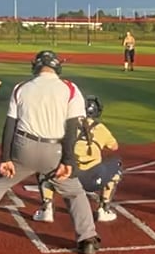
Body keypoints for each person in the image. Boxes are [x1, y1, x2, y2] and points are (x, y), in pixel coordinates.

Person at [0, 50, 102, 254]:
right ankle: (87, 239)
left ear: (36, 66)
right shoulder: (70, 88)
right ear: (57, 67)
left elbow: (10, 125)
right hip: (54, 151)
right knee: (74, 192)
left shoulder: (21, 88)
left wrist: (6, 158)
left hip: (23, 148)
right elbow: (72, 128)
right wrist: (68, 160)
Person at [35, 95, 122, 224]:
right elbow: (114, 147)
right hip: (92, 180)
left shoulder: (67, 126)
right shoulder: (101, 128)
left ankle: (46, 209)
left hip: (67, 178)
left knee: (43, 169)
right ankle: (104, 209)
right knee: (116, 167)